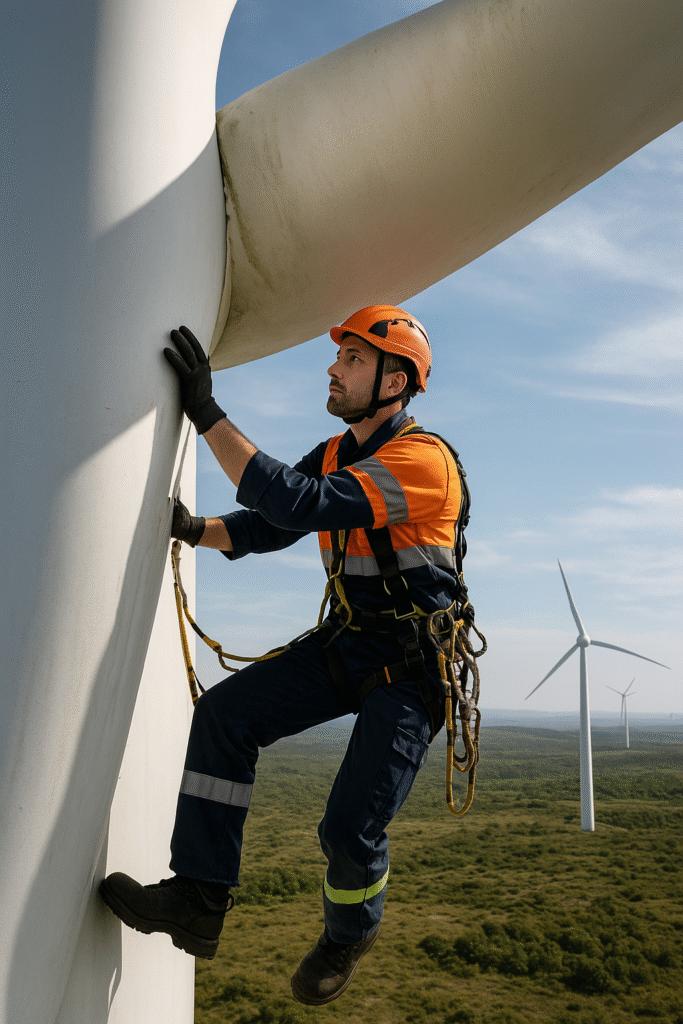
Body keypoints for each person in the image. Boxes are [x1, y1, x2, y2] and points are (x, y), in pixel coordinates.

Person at [100, 304, 472, 1006]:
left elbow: (296, 504)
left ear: (396, 381)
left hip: (411, 666)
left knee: (347, 825)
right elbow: (272, 526)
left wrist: (207, 412)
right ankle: (199, 898)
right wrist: (192, 528)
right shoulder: (337, 453)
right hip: (350, 641)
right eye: (340, 358)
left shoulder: (423, 462)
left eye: (353, 360)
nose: (333, 369)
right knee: (223, 716)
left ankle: (346, 934)